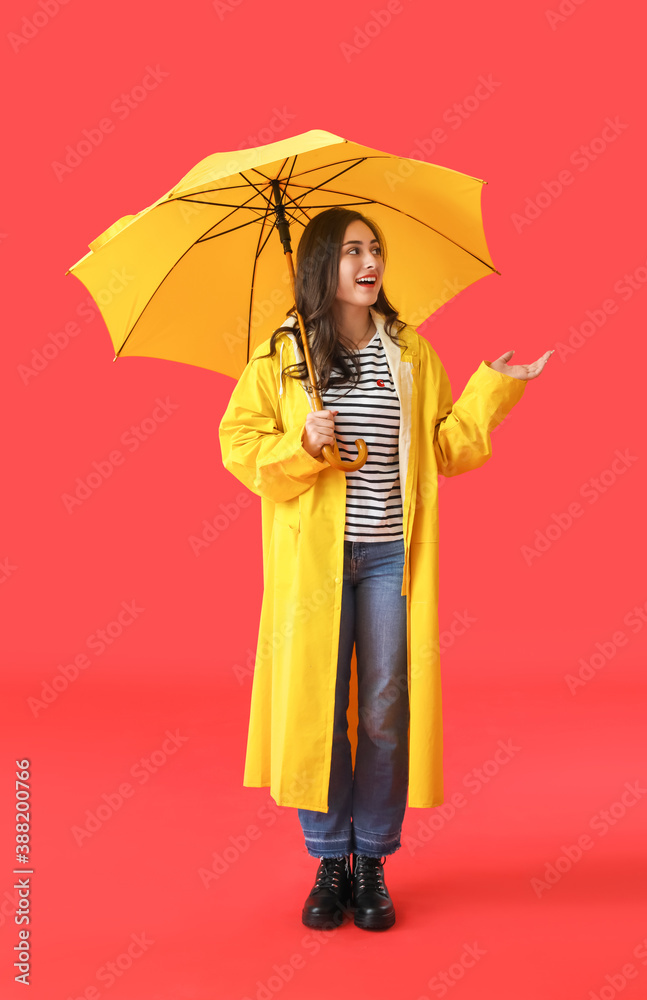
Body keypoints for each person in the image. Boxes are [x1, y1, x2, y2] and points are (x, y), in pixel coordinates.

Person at [218, 207, 552, 932]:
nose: (369, 263)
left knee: (381, 713)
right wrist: (301, 445)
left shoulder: (410, 354)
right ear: (319, 268)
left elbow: (443, 450)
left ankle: (370, 858)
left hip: (388, 560)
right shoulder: (282, 357)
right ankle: (326, 858)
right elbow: (240, 449)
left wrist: (492, 390)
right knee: (316, 709)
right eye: (351, 252)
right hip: (315, 562)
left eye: (374, 250)